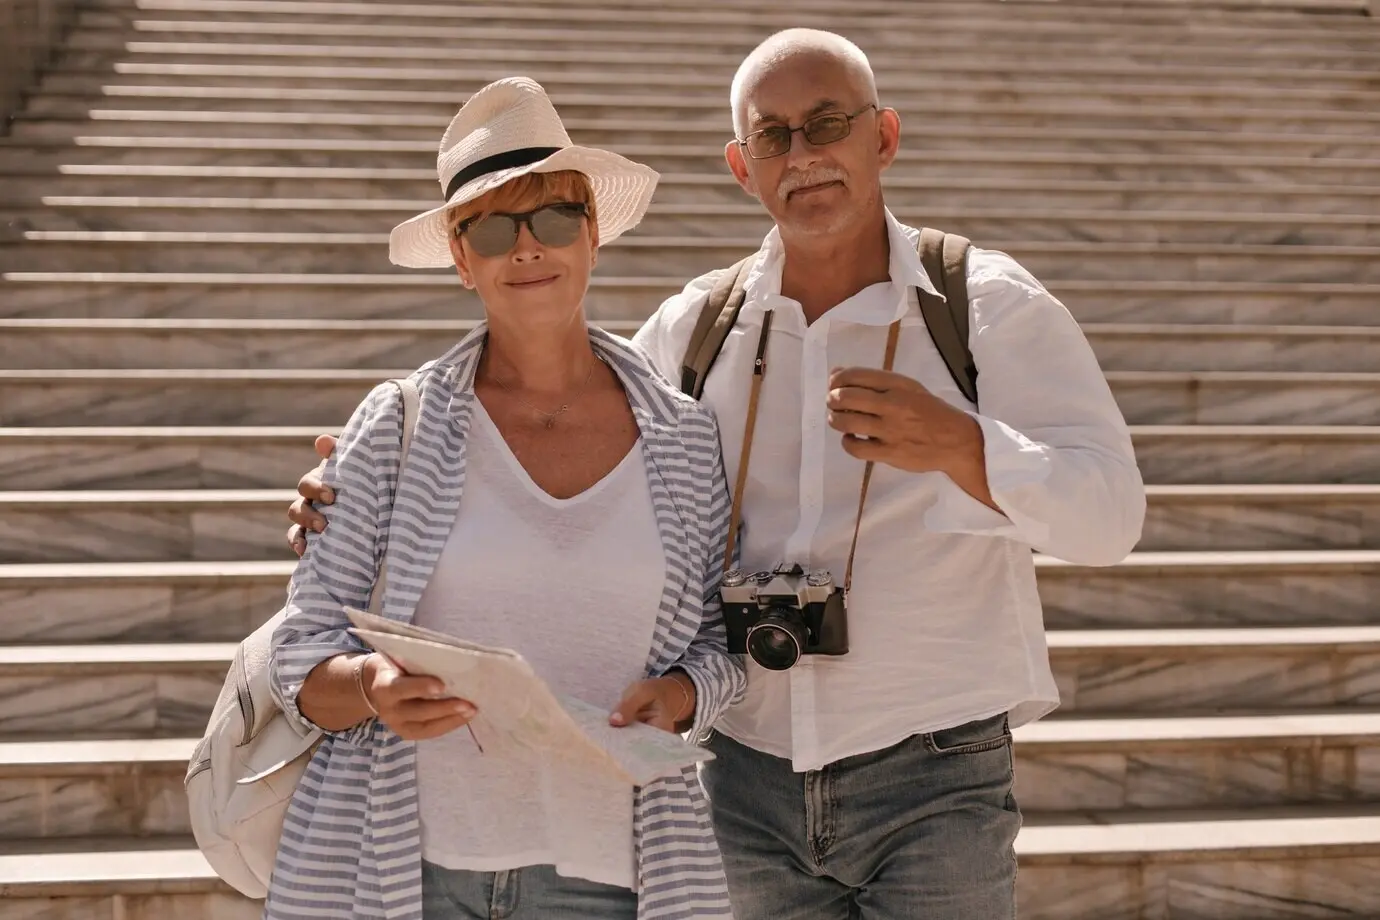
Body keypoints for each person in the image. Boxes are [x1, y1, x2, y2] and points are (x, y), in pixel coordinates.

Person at [289, 31, 1145, 919]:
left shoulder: (987, 305)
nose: (803, 156)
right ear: (743, 166)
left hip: (936, 774)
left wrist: (964, 448)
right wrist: (345, 497)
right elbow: (568, 430)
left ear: (882, 137)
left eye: (826, 125)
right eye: (773, 136)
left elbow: (1112, 517)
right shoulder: (695, 329)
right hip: (743, 782)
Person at [267, 76, 743, 920]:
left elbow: (715, 642)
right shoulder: (395, 424)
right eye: (490, 228)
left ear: (594, 236)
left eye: (555, 218)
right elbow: (300, 652)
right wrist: (373, 685)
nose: (527, 247)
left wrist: (678, 698)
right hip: (409, 868)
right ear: (460, 259)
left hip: (613, 874)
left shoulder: (683, 438)